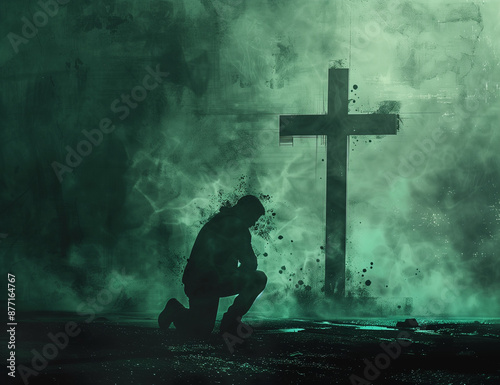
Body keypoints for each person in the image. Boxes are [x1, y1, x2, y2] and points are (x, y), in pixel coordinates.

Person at [158, 195, 267, 337]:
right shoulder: (236, 225)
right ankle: (230, 323)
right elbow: (250, 263)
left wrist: (231, 273)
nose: (253, 223)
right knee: (258, 278)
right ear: (246, 211)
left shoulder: (218, 220)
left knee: (200, 330)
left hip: (199, 282)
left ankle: (175, 310)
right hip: (208, 282)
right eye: (254, 217)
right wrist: (236, 276)